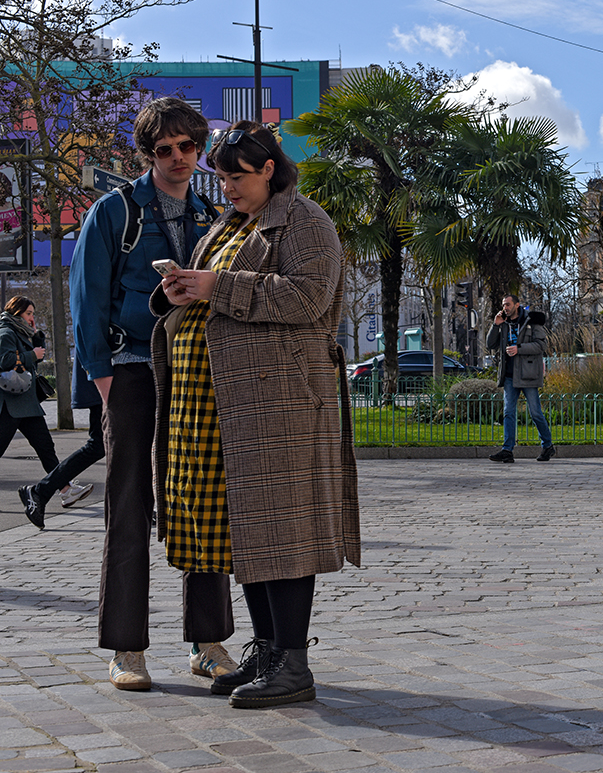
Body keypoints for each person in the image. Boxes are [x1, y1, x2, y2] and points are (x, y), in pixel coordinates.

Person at [152, 120, 360, 708]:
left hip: (280, 402)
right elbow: (217, 288)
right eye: (221, 178)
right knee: (250, 530)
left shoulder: (306, 223)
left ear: (269, 168)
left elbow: (306, 298)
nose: (227, 189)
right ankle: (268, 651)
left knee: (283, 529)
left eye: (237, 177)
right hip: (227, 403)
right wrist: (183, 288)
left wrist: (217, 284)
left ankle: (294, 663)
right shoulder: (230, 223)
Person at [69, 97, 234, 691]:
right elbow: (85, 297)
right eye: (164, 149)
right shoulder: (114, 211)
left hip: (193, 371)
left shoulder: (212, 214)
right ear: (147, 154)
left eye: (188, 147)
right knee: (129, 502)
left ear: (199, 148)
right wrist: (103, 378)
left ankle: (208, 641)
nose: (178, 158)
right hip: (130, 367)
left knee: (200, 501)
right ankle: (125, 649)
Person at [19, 353, 101, 527]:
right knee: (99, 445)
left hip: (111, 381)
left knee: (102, 446)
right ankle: (42, 492)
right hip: (12, 401)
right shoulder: (7, 331)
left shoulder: (21, 331)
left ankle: (47, 491)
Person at [1, 297, 62, 529]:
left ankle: (65, 489)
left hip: (26, 403)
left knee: (46, 447)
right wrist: (31, 355)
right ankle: (64, 487)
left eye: (32, 313)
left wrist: (37, 338)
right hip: (10, 405)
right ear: (16, 313)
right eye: (28, 313)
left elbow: (38, 355)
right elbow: (5, 360)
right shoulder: (6, 331)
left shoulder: (23, 332)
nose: (31, 317)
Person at [485, 293, 555, 463]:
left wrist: (519, 348)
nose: (505, 308)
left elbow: (542, 345)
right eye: (503, 305)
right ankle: (507, 450)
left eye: (508, 304)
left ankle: (548, 446)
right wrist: (495, 325)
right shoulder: (503, 323)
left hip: (527, 374)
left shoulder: (531, 321)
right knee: (508, 412)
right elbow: (490, 344)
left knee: (535, 412)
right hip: (509, 375)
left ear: (517, 305)